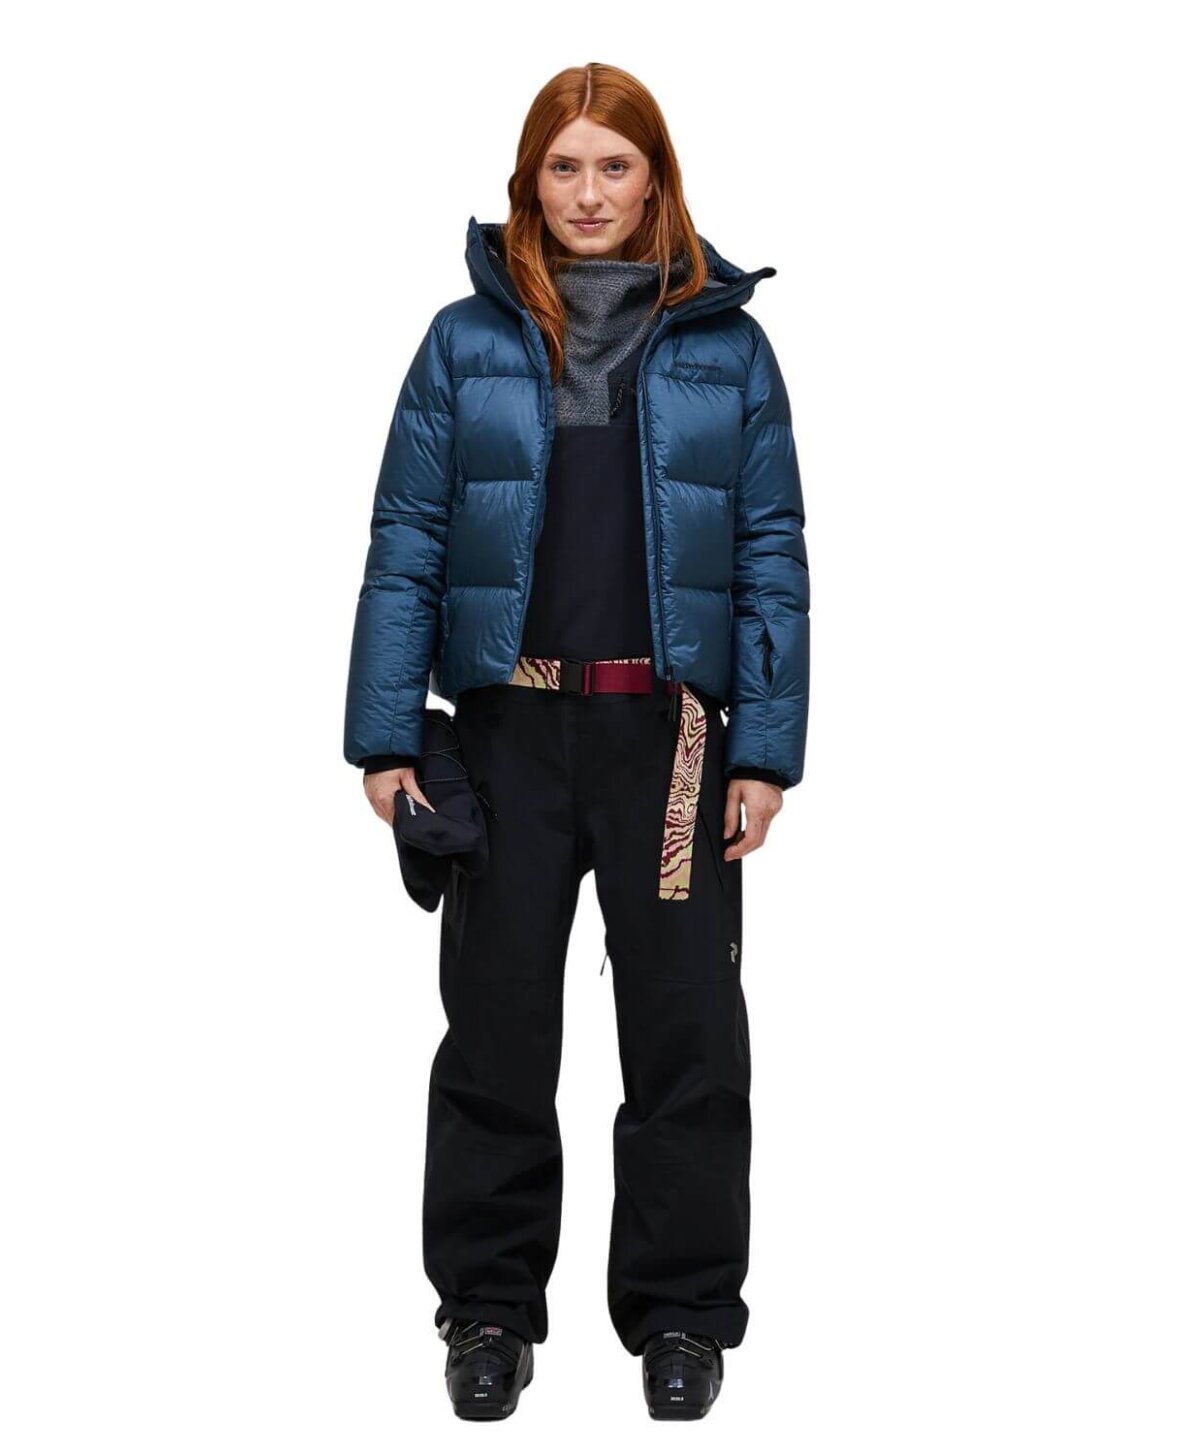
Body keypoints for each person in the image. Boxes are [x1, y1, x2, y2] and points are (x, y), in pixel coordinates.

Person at [342, 62, 809, 1422]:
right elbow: (405, 541)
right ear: (528, 181)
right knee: (493, 1033)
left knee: (687, 1033)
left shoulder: (728, 351)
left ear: (655, 180)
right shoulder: (462, 345)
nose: (589, 193)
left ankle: (683, 1316)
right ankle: (488, 1307)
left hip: (671, 741)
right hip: (506, 734)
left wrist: (763, 752)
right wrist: (386, 737)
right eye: (565, 167)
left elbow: (772, 553)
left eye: (615, 166)